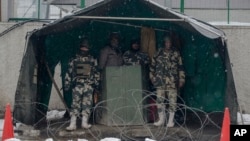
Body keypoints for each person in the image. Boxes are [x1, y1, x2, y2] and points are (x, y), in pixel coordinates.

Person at [64, 38, 100, 130]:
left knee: (87, 104)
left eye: (86, 48)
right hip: (77, 85)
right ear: (80, 47)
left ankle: (84, 123)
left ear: (89, 48)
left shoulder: (92, 59)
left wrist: (97, 84)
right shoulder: (74, 59)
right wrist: (67, 84)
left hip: (88, 85)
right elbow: (69, 72)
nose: (84, 49)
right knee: (75, 104)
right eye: (83, 47)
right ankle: (73, 124)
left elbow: (96, 72)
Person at [150, 35, 185, 127]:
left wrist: (181, 79)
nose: (168, 44)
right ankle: (161, 120)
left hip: (172, 82)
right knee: (160, 101)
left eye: (169, 42)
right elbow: (152, 66)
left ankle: (170, 121)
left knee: (172, 102)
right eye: (166, 42)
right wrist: (152, 77)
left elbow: (181, 67)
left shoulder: (176, 53)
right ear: (164, 43)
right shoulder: (158, 53)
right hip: (160, 81)